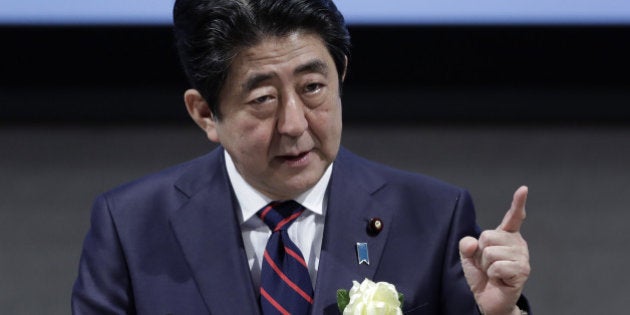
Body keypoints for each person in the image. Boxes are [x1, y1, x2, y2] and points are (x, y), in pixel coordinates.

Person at [71, 0, 531, 314]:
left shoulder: (434, 218)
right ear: (206, 113)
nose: (294, 123)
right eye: (264, 99)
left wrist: (501, 312)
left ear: (341, 74)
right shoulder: (130, 228)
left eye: (312, 88)